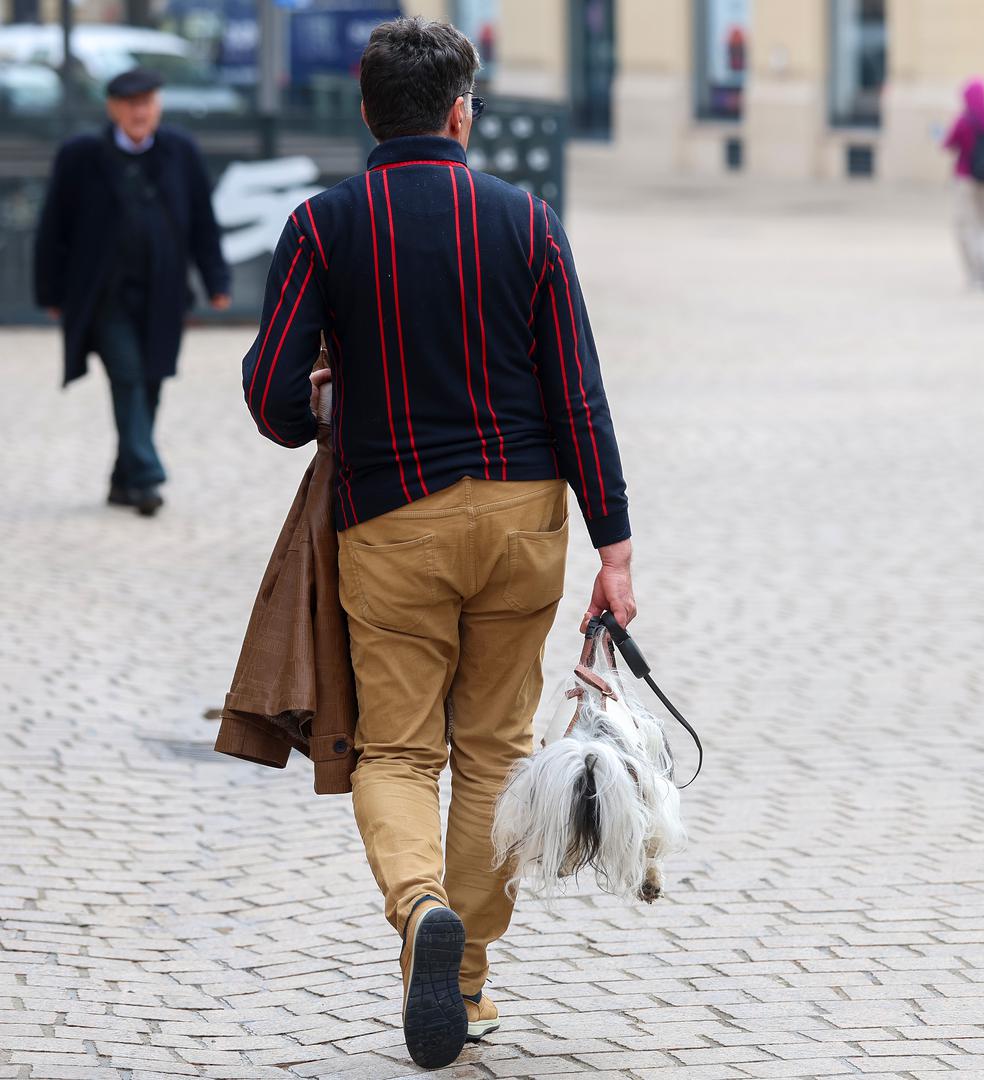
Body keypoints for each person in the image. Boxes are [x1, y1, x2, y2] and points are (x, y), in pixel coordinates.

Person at [240, 17, 634, 1069]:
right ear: (462, 112)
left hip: (394, 522)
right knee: (496, 750)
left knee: (400, 749)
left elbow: (273, 398)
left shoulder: (324, 224)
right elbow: (578, 392)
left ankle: (420, 913)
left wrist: (325, 399)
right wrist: (618, 548)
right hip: (522, 518)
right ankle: (465, 982)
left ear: (367, 111)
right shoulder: (528, 220)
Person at [34, 67, 231, 516]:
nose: (139, 111)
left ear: (158, 106)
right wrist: (50, 291)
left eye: (147, 102)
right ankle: (146, 478)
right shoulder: (81, 155)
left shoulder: (180, 151)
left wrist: (216, 280)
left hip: (163, 293)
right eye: (129, 103)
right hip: (105, 297)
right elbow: (53, 227)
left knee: (152, 380)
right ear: (112, 108)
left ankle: (122, 480)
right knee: (126, 376)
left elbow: (203, 220)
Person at [942, 78, 984, 291]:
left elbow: (949, 144)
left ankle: (976, 274)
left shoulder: (965, 121)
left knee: (965, 226)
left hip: (966, 179)